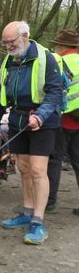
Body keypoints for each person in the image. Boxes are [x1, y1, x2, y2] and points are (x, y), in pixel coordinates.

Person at [0, 21, 63, 245]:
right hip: (17, 120)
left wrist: (41, 114)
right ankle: (27, 211)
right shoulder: (8, 60)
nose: (8, 46)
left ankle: (38, 222)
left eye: (11, 42)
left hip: (43, 122)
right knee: (22, 168)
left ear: (25, 36)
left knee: (38, 170)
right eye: (5, 43)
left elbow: (55, 91)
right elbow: (0, 94)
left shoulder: (45, 58)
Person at [45, 29, 79, 214]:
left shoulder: (59, 61)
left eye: (56, 44)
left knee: (55, 159)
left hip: (63, 118)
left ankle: (50, 201)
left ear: (62, 46)